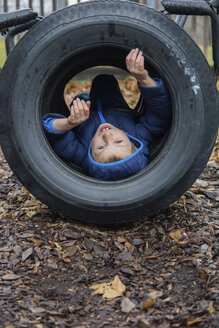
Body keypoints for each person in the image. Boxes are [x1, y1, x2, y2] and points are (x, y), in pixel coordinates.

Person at [43, 48, 172, 180]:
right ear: (133, 144)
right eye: (119, 141)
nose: (107, 135)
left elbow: (50, 130)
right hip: (116, 107)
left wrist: (69, 123)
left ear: (90, 156)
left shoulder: (80, 154)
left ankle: (83, 99)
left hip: (85, 118)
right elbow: (161, 113)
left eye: (101, 147)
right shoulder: (140, 135)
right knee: (105, 81)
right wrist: (144, 78)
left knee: (80, 101)